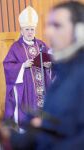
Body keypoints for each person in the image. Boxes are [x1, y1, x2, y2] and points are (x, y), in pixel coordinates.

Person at [31, 1, 84, 150]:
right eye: (48, 25)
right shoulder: (62, 72)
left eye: (57, 25)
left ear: (80, 32)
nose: (48, 32)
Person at [3, 6, 52, 129]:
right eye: (27, 29)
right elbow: (8, 65)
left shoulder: (41, 44)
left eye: (32, 29)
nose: (30, 32)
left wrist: (49, 65)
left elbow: (52, 60)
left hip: (43, 88)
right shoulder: (16, 47)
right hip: (27, 90)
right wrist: (22, 66)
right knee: (29, 119)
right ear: (22, 30)